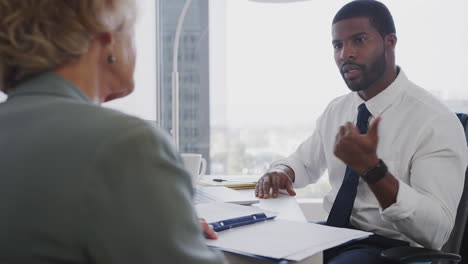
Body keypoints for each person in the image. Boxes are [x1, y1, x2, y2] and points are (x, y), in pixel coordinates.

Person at [0, 1, 225, 263]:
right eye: (131, 33)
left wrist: (166, 229)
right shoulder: (127, 142)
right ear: (109, 42)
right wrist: (186, 241)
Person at [255, 1, 468, 263]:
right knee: (256, 250)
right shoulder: (339, 109)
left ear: (390, 42)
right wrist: (282, 172)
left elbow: (436, 231)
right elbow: (303, 162)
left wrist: (373, 170)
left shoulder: (435, 121)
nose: (346, 54)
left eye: (359, 40)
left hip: (391, 246)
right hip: (334, 235)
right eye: (338, 45)